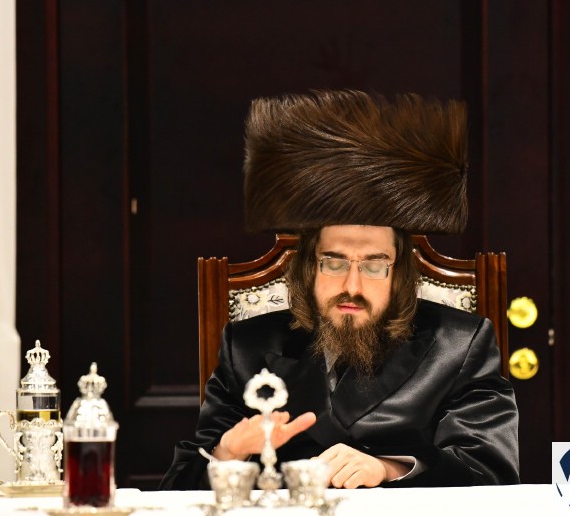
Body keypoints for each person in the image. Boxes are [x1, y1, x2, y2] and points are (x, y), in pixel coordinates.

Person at [160, 90, 520, 490]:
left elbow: (491, 474)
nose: (352, 286)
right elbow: (176, 491)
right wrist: (227, 453)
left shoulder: (460, 344)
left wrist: (390, 468)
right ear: (307, 268)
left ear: (399, 273)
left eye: (374, 265)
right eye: (334, 263)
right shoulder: (245, 348)